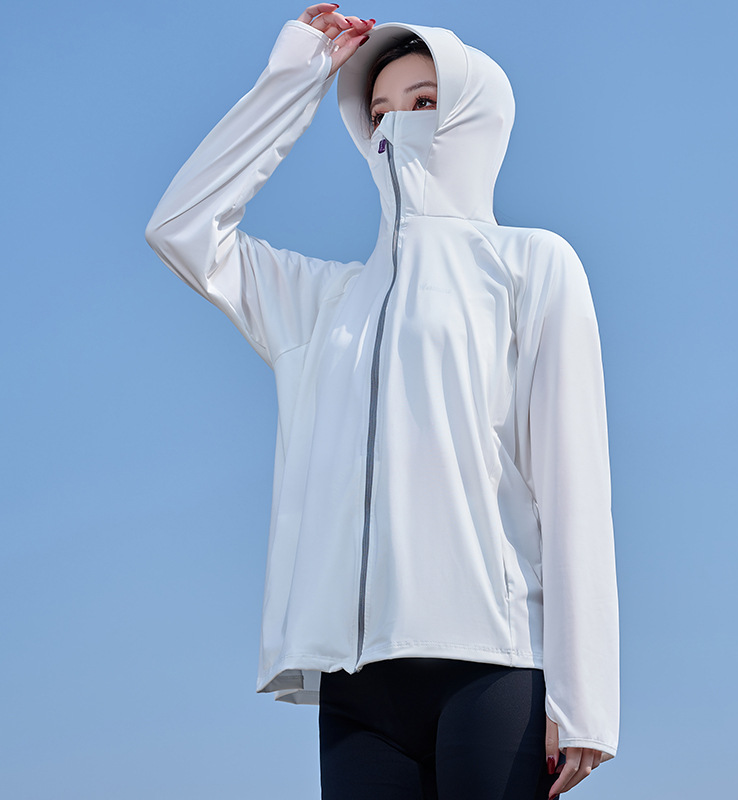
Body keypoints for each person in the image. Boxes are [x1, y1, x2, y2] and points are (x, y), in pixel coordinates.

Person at [145, 5, 619, 799]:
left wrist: (585, 700)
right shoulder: (321, 304)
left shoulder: (532, 266)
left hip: (493, 666)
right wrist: (297, 76)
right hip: (357, 690)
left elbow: (575, 485)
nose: (397, 125)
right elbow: (182, 229)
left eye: (424, 102)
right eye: (379, 111)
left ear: (473, 112)